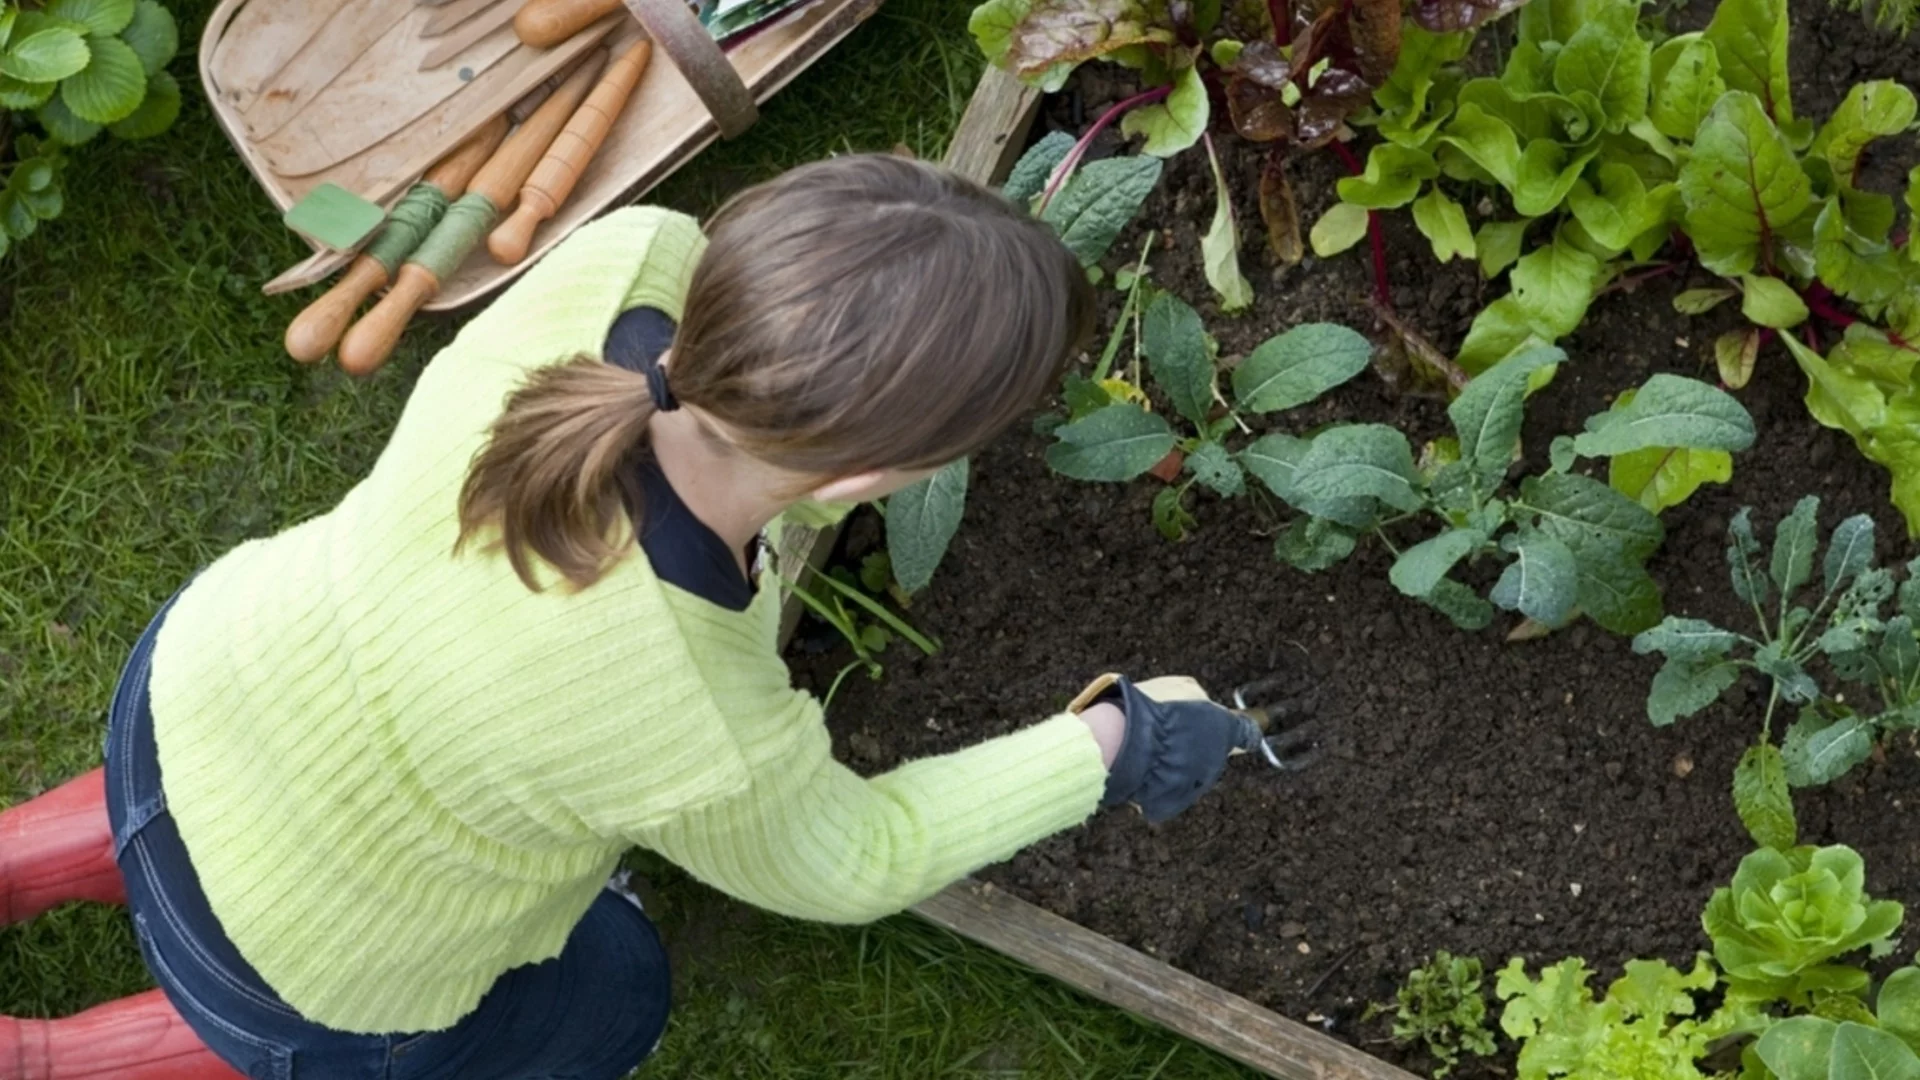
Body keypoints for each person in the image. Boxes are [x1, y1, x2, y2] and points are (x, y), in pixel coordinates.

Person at [0, 154, 1266, 1079]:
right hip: (297, 954)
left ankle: (18, 863)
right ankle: (44, 1062)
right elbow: (857, 859)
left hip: (194, 689)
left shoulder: (625, 262)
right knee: (611, 994)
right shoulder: (692, 713)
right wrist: (1113, 744)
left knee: (203, 809)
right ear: (865, 485)